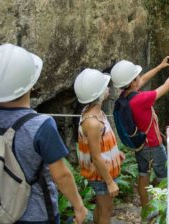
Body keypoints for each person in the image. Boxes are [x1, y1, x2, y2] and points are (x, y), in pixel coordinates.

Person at [0, 43, 87, 224]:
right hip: (37, 214)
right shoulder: (41, 125)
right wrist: (78, 206)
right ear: (30, 84)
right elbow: (61, 175)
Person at [110, 56, 169, 215]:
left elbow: (141, 80)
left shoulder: (125, 96)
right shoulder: (141, 99)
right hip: (153, 146)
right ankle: (165, 212)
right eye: (136, 77)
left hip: (140, 145)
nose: (139, 79)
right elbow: (167, 86)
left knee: (143, 174)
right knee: (165, 177)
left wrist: (160, 66)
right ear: (132, 82)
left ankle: (145, 211)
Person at [74, 69, 125, 224]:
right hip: (101, 176)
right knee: (106, 212)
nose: (108, 88)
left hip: (103, 172)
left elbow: (102, 143)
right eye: (105, 86)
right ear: (98, 94)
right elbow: (96, 157)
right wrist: (109, 182)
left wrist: (116, 153)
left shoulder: (95, 112)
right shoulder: (92, 122)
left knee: (101, 208)